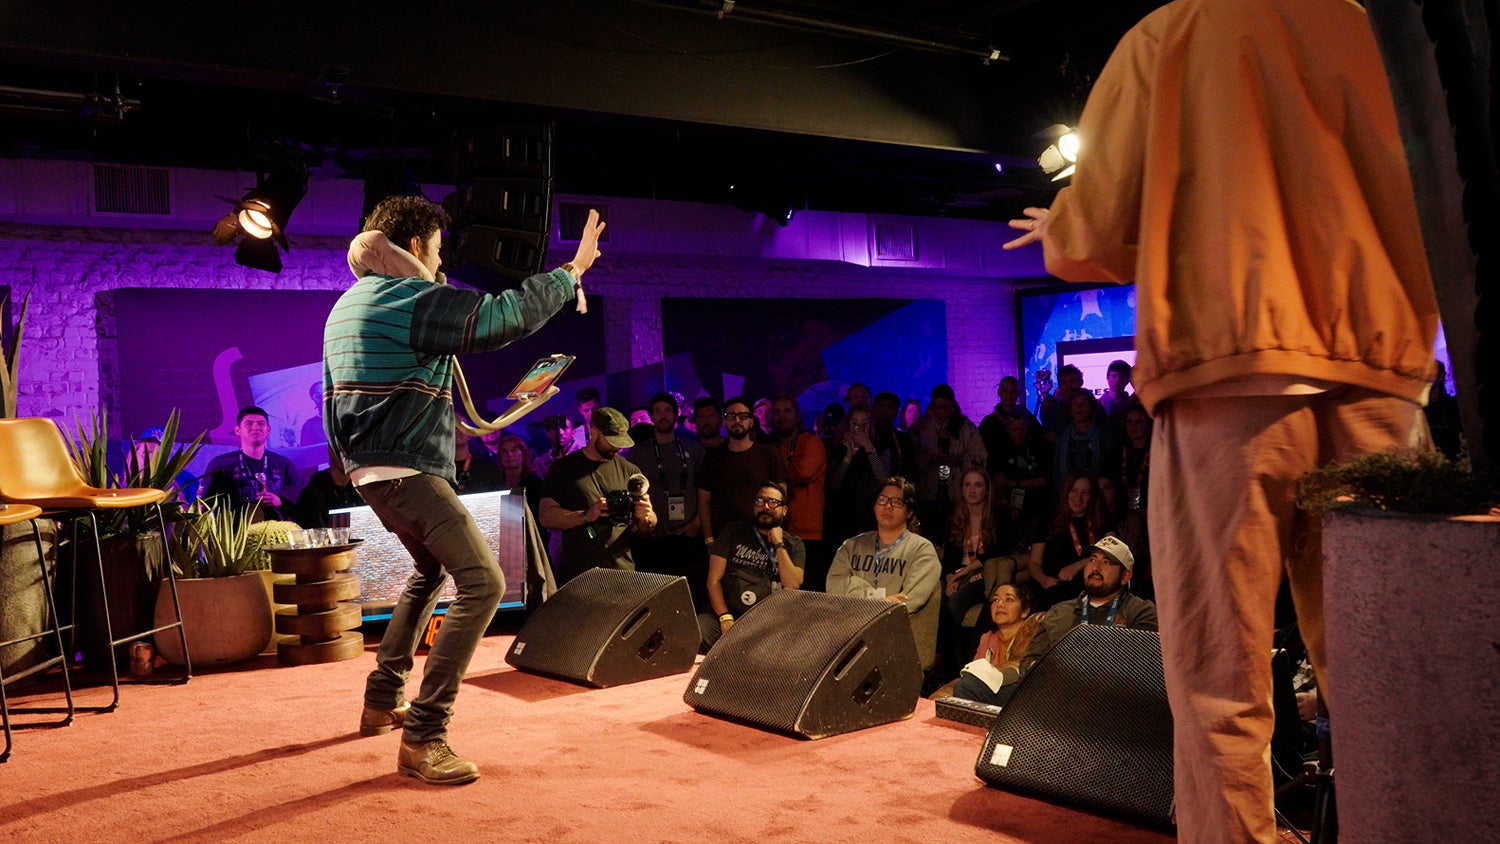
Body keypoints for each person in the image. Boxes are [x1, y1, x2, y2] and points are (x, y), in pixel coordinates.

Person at [1002, 1, 1440, 838]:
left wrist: (1062, 228)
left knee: (1219, 680)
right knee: (1395, 677)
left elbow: (1099, 229)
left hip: (1227, 374)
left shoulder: (1171, 33)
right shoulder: (1369, 26)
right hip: (1378, 373)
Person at [326, 195, 601, 785]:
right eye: (437, 250)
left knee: (430, 570)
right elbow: (502, 317)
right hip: (406, 469)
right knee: (485, 581)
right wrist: (571, 272)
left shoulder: (349, 303)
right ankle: (425, 736)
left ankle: (382, 701)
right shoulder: (409, 297)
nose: (440, 262)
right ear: (415, 245)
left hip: (370, 471)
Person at [952, 535, 1156, 706]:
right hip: (1054, 692)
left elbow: (1140, 666)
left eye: (1107, 562)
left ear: (1125, 576)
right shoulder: (1060, 611)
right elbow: (1030, 661)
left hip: (1106, 697)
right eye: (1092, 559)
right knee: (967, 687)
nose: (1095, 567)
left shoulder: (1141, 611)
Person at [826, 476, 941, 672]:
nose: (888, 506)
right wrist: (877, 600)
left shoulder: (921, 549)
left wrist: (856, 590)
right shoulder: (851, 546)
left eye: (896, 502)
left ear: (909, 511)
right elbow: (834, 587)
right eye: (882, 500)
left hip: (893, 637)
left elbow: (911, 600)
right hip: (849, 632)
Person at [539, 406, 658, 582]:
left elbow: (647, 526)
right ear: (593, 432)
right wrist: (586, 515)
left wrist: (646, 517)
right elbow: (546, 517)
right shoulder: (563, 469)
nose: (617, 446)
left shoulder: (630, 470)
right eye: (611, 440)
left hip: (623, 573)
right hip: (581, 576)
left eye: (620, 441)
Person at [698, 481, 805, 651]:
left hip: (768, 621)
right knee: (697, 635)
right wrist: (725, 617)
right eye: (760, 501)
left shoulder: (793, 543)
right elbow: (713, 580)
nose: (765, 507)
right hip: (726, 613)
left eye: (773, 502)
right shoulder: (734, 531)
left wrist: (778, 543)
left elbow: (792, 584)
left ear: (784, 510)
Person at [628, 392, 708, 598]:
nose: (663, 415)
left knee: (690, 596)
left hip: (687, 536)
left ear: (676, 414)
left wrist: (697, 522)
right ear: (651, 416)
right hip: (653, 539)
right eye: (657, 411)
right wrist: (640, 527)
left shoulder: (694, 449)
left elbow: (705, 491)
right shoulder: (637, 453)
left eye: (667, 410)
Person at [697, 397, 786, 548]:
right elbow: (704, 501)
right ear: (724, 421)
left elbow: (781, 494)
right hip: (723, 539)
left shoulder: (768, 454)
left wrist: (775, 533)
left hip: (762, 537)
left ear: (751, 421)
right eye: (731, 416)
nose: (737, 420)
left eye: (742, 416)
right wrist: (709, 539)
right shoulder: (712, 457)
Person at [200, 405, 303, 521]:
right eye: (249, 424)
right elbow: (205, 502)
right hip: (235, 530)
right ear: (238, 430)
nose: (255, 427)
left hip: (276, 528)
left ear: (268, 430)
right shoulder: (220, 464)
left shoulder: (284, 464)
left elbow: (300, 494)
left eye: (261, 424)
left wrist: (279, 499)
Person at [1028, 471, 1111, 611]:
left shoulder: (1101, 521)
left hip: (1087, 583)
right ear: (1066, 492)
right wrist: (1043, 580)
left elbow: (1113, 550)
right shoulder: (1049, 520)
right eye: (1074, 491)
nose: (1078, 498)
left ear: (1092, 497)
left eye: (1085, 493)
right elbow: (1034, 563)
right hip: (1052, 584)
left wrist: (1078, 565)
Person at [769, 395, 827, 583]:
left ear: (797, 415)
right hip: (779, 528)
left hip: (808, 530)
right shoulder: (773, 446)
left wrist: (772, 473)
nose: (782, 416)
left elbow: (802, 473)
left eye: (787, 411)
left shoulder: (811, 442)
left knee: (806, 588)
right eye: (777, 412)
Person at [825, 404, 889, 549]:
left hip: (871, 516)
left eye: (864, 424)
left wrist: (869, 447)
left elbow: (883, 479)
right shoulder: (838, 451)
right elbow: (833, 485)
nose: (859, 428)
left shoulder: (881, 448)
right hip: (843, 516)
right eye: (855, 424)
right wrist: (848, 456)